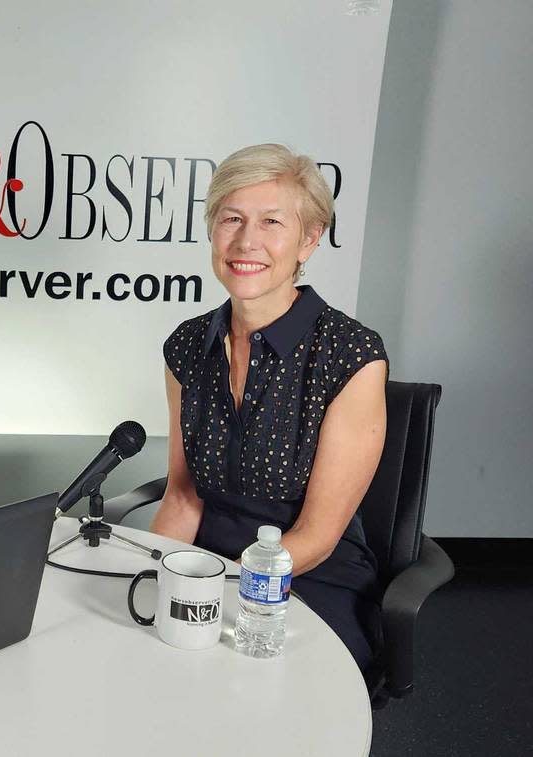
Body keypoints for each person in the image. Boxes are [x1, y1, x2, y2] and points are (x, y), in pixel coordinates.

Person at [151, 143, 387, 670]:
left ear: (308, 240)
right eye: (231, 218)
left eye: (271, 222)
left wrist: (221, 592)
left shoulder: (350, 355)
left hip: (307, 576)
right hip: (204, 566)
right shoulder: (186, 347)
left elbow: (318, 537)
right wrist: (153, 576)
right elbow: (183, 498)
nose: (246, 241)